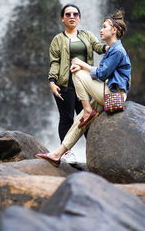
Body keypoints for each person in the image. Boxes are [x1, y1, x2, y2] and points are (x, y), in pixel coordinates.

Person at [37, 10, 131, 167]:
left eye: (104, 27)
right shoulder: (112, 49)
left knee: (77, 70)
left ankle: (88, 110)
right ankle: (57, 154)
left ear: (114, 30)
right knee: (79, 121)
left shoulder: (117, 50)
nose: (100, 30)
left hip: (113, 95)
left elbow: (101, 74)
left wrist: (82, 64)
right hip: (108, 93)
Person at [48, 4, 107, 163]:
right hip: (65, 84)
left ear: (79, 17)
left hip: (85, 84)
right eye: (68, 14)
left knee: (88, 118)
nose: (72, 16)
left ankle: (96, 154)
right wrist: (52, 81)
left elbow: (98, 47)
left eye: (75, 14)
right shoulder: (58, 39)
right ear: (63, 18)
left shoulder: (87, 35)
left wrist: (111, 47)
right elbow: (54, 62)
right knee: (66, 118)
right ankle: (66, 153)